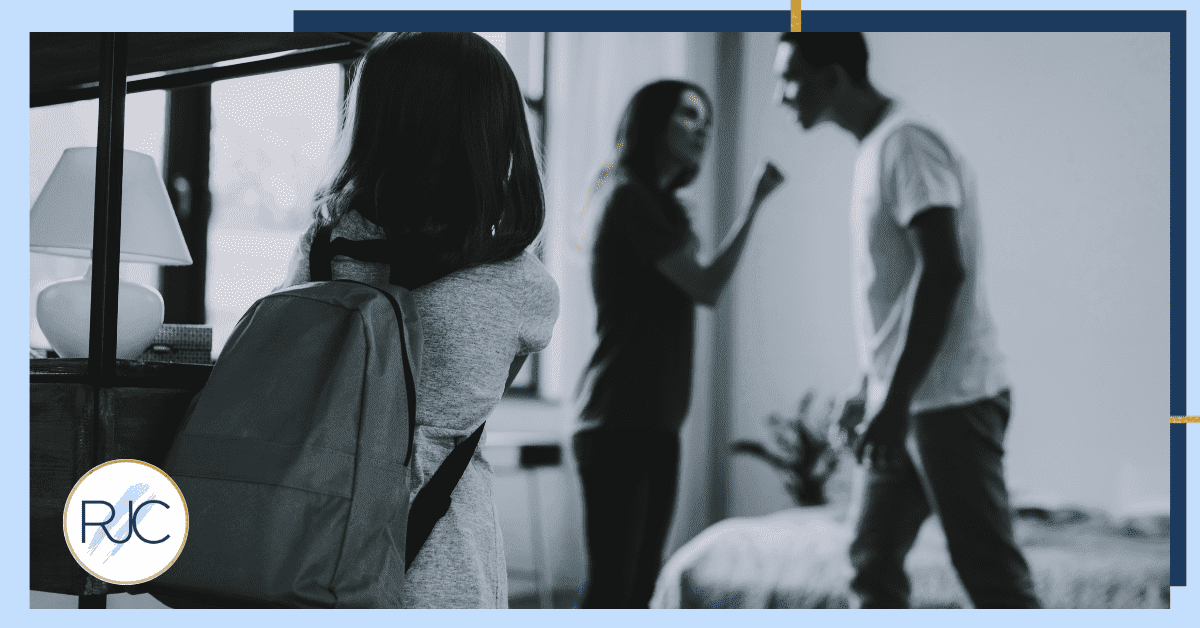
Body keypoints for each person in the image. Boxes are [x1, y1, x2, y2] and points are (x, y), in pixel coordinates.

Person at [277, 32, 559, 608]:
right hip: (444, 554)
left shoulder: (323, 251)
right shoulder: (523, 284)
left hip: (315, 539)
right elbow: (476, 392)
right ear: (492, 131)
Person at [773, 32, 1041, 609]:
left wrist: (891, 403)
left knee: (993, 582)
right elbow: (896, 297)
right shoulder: (875, 148)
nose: (781, 95)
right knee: (871, 563)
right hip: (907, 401)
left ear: (834, 76)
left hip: (950, 401)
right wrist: (866, 387)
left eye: (790, 77)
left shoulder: (907, 143)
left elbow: (944, 271)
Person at [573, 79, 785, 609]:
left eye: (707, 119)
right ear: (652, 123)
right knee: (612, 592)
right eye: (688, 115)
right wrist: (755, 202)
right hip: (618, 421)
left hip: (657, 423)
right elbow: (708, 287)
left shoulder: (661, 208)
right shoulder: (627, 200)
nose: (703, 128)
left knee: (640, 588)